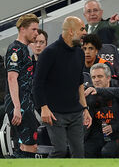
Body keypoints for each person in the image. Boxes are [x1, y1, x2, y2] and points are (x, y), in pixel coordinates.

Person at [33, 16, 92, 158]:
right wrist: (44, 107)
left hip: (75, 113)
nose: (85, 32)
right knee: (59, 150)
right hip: (54, 113)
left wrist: (85, 109)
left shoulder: (79, 52)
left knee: (79, 153)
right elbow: (37, 83)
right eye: (82, 29)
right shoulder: (49, 53)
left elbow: (79, 83)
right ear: (71, 31)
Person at [4, 14, 40, 157]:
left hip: (25, 102)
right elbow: (12, 78)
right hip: (20, 104)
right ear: (23, 29)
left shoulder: (25, 49)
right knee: (31, 146)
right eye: (34, 29)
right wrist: (18, 107)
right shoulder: (15, 49)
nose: (36, 33)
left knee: (26, 145)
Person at [83, 63, 119, 158]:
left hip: (118, 134)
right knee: (85, 150)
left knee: (107, 152)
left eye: (100, 76)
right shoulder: (88, 95)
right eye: (93, 77)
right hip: (97, 135)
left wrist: (114, 127)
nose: (96, 80)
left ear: (108, 78)